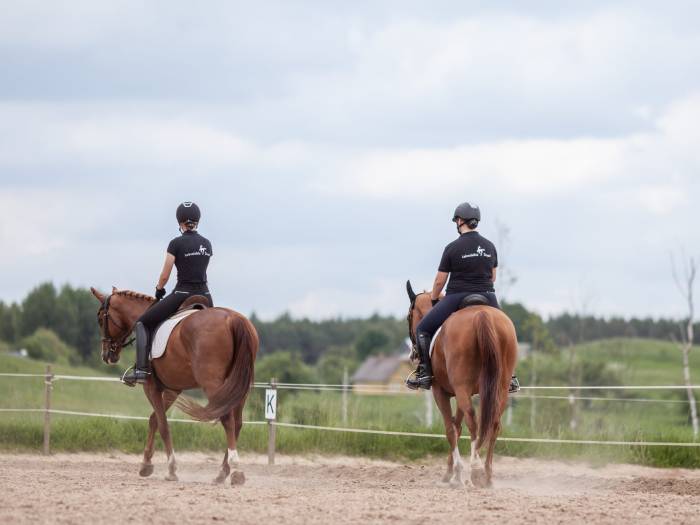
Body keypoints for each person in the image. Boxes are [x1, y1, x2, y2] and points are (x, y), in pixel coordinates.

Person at [406, 202, 520, 392]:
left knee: (423, 330)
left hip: (457, 296)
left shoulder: (452, 247)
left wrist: (434, 299)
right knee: (507, 330)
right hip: (487, 296)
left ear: (459, 221)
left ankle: (425, 373)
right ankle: (511, 376)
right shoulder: (490, 246)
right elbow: (492, 277)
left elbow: (439, 282)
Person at [122, 201, 214, 386]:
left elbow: (165, 275)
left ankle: (141, 370)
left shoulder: (176, 243)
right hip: (205, 295)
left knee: (142, 323)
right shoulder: (206, 243)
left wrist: (159, 289)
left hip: (182, 293)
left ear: (180, 222)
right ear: (197, 221)